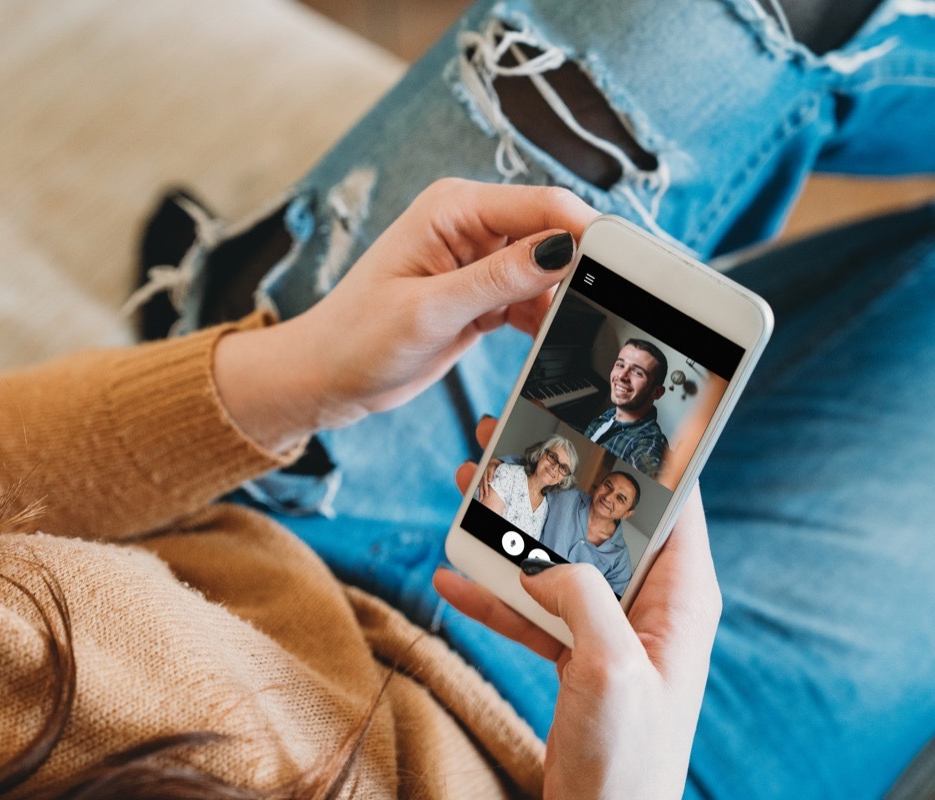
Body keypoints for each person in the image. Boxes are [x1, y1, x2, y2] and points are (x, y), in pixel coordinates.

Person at [0, 138, 720, 798]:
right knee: (866, 297)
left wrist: (300, 368)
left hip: (294, 550)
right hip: (567, 746)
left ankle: (224, 300)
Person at [129, 1, 935, 797]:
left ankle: (232, 308)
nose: (623, 380)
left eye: (635, 379)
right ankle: (231, 295)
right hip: (634, 749)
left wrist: (269, 377)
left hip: (260, 529)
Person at [538, 471, 638, 595]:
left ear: (627, 513)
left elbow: (611, 606)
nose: (608, 497)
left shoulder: (620, 559)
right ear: (600, 484)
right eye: (608, 486)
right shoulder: (566, 495)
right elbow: (530, 473)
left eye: (620, 498)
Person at [582, 339, 669, 478]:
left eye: (637, 373)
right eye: (620, 365)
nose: (622, 376)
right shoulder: (611, 415)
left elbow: (651, 472)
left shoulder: (647, 442)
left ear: (657, 392)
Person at [477, 435, 578, 538]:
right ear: (539, 454)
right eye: (552, 457)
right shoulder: (506, 474)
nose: (555, 468)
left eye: (563, 468)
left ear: (563, 480)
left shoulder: (545, 510)